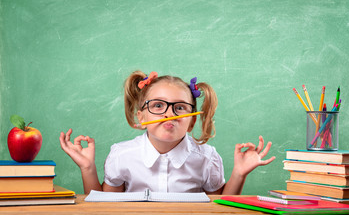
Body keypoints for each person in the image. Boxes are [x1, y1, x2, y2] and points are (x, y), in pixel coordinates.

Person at [59, 71, 275, 195]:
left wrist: (239, 173)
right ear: (141, 116)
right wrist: (87, 168)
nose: (168, 114)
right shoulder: (122, 155)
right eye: (158, 105)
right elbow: (104, 209)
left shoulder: (207, 159)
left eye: (180, 107)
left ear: (191, 122)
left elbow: (220, 211)